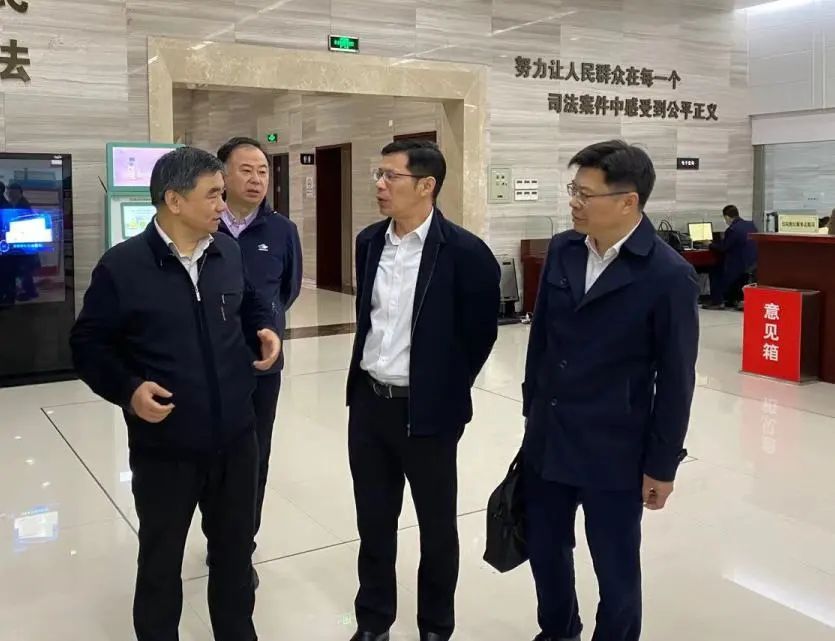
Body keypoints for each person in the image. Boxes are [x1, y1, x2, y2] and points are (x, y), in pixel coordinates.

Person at [70, 146, 281, 641]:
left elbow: (250, 304)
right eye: (213, 195)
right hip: (166, 446)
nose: (223, 205)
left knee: (234, 556)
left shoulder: (227, 252)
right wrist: (129, 390)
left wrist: (265, 328)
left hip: (236, 438)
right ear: (174, 200)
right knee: (161, 561)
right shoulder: (123, 267)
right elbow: (88, 345)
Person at [522, 140, 699, 641]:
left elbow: (677, 380)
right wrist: (533, 411)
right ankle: (558, 631)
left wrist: (662, 465)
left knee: (616, 568)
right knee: (546, 550)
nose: (574, 202)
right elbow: (542, 338)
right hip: (550, 436)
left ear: (628, 201)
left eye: (586, 194)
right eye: (573, 190)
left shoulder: (668, 275)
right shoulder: (563, 249)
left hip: (615, 448)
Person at [345, 139, 500, 641]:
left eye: (391, 176)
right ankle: (374, 621)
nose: (380, 185)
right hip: (369, 405)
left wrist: (444, 387)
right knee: (373, 523)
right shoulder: (370, 242)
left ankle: (435, 626)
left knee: (436, 528)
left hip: (428, 412)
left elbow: (480, 334)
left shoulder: (465, 253)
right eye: (379, 174)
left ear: (426, 185)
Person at [214, 136, 302, 580]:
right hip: (208, 365)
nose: (256, 179)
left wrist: (266, 328)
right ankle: (217, 537)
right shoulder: (203, 222)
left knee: (255, 456)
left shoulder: (282, 230)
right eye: (246, 170)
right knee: (213, 457)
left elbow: (288, 290)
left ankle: (241, 547)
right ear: (223, 175)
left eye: (263, 171)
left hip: (262, 365)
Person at [703, 204, 758, 310]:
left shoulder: (732, 229)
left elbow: (723, 248)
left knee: (715, 270)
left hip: (739, 266)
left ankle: (717, 301)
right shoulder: (751, 225)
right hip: (753, 264)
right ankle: (732, 299)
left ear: (727, 217)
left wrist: (709, 244)